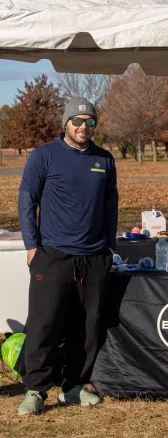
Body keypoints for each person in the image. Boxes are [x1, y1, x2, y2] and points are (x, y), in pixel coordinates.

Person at [17, 97, 118, 416]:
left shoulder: (104, 159)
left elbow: (110, 205)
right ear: (65, 123)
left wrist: (109, 248)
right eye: (77, 120)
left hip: (94, 258)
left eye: (89, 121)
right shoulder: (44, 155)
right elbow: (26, 201)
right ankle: (36, 389)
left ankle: (73, 386)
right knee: (44, 325)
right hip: (53, 255)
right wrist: (32, 247)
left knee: (87, 327)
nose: (83, 127)